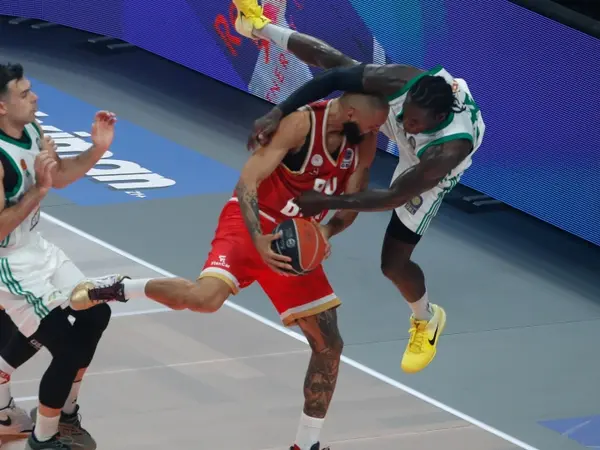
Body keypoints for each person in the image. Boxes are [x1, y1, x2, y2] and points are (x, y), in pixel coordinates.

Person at [83, 92, 389, 450]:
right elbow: (248, 182)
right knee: (204, 300)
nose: (376, 133)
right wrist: (258, 237)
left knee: (329, 344)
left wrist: (327, 230)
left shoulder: (362, 143)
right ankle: (122, 287)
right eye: (372, 125)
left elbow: (352, 201)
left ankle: (306, 444)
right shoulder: (302, 124)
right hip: (252, 223)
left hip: (294, 241)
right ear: (350, 113)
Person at [229, 0, 486, 374]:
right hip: (415, 115)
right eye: (406, 115)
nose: (405, 126)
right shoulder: (404, 84)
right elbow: (333, 80)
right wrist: (278, 112)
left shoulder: (447, 151)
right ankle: (257, 25)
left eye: (414, 123)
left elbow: (392, 197)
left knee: (392, 263)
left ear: (438, 118)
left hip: (423, 166)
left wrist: (327, 200)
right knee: (341, 66)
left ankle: (426, 318)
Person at [0, 62, 129, 450]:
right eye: (24, 93)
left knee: (96, 313)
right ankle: (43, 438)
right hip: (7, 264)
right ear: (2, 106)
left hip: (35, 247)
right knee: (68, 347)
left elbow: (60, 175)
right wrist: (38, 191)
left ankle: (66, 413)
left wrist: (98, 149)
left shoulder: (31, 130)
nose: (35, 97)